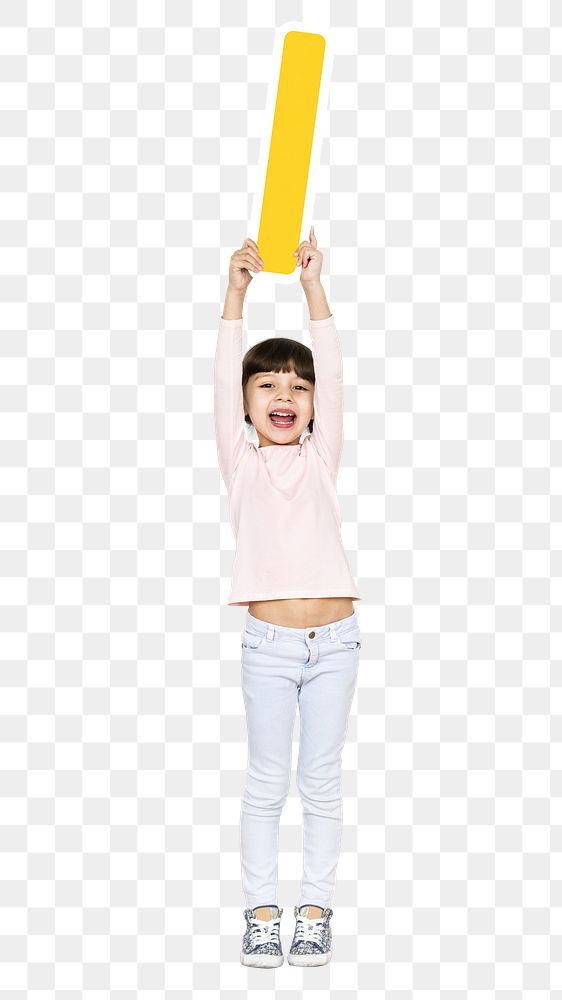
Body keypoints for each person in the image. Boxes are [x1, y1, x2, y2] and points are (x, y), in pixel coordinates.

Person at [214, 227, 362, 968]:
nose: (286, 395)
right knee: (268, 781)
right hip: (270, 648)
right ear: (244, 404)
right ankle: (261, 912)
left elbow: (331, 374)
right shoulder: (241, 464)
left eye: (297, 388)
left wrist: (312, 287)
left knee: (323, 782)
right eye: (268, 384)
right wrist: (236, 293)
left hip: (335, 643)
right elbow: (220, 376)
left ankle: (317, 911)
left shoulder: (321, 458)